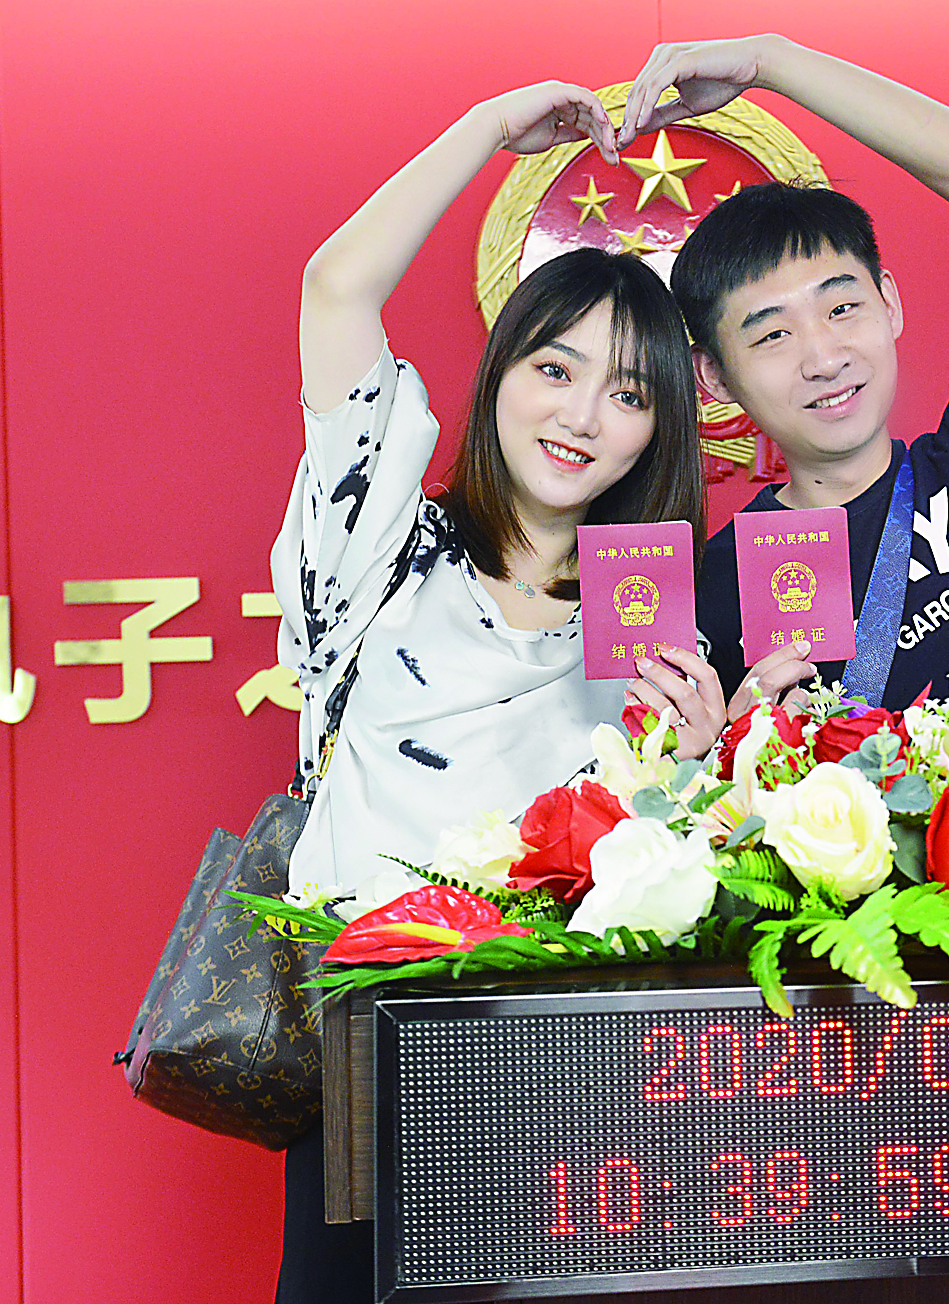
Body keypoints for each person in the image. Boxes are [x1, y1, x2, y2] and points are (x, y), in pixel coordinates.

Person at [271, 81, 727, 1302]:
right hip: (367, 1068)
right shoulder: (382, 553)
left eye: (627, 393)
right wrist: (483, 130)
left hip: (575, 1104)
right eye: (554, 367)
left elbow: (656, 902)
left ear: (657, 428)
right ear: (500, 374)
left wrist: (698, 765)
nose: (581, 416)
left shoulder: (655, 626)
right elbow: (335, 288)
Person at [621, 36, 949, 745]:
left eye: (841, 308)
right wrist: (726, 750)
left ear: (889, 304)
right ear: (713, 376)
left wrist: (770, 62)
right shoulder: (707, 592)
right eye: (771, 335)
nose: (823, 358)